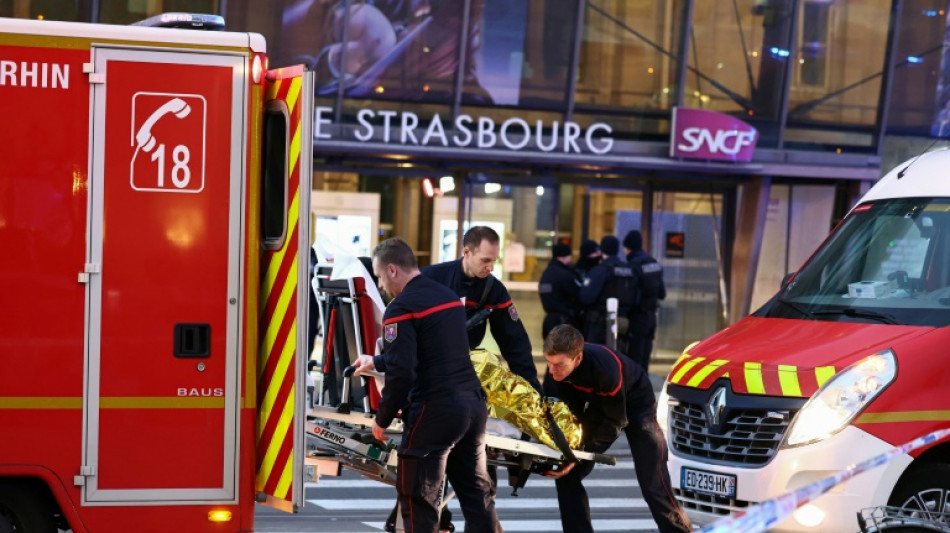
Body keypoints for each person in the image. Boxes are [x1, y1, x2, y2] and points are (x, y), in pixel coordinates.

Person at [353, 237, 502, 533]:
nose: (381, 285)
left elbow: (404, 371)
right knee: (477, 496)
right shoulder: (447, 297)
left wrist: (382, 418)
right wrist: (377, 362)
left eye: (380, 277)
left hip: (436, 411)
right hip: (472, 407)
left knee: (419, 499)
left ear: (393, 270)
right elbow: (434, 351)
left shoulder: (401, 307)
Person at [541, 324, 691, 533]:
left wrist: (579, 455)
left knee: (652, 482)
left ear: (577, 358)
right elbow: (555, 416)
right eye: (548, 363)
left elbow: (614, 422)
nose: (552, 370)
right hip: (594, 403)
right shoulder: (554, 373)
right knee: (567, 475)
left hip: (635, 400)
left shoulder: (605, 369)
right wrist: (564, 451)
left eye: (559, 365)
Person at [422, 226, 541, 391]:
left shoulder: (495, 291)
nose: (491, 267)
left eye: (494, 261)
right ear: (467, 252)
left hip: (462, 369)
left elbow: (515, 343)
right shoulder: (432, 278)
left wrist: (533, 390)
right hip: (426, 367)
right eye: (485, 260)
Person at [578, 235, 637, 347]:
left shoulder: (600, 270)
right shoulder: (629, 270)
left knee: (598, 358)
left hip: (600, 324)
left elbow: (586, 297)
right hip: (623, 322)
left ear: (602, 250)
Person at [622, 230, 666, 372]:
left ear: (628, 248)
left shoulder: (633, 266)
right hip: (651, 318)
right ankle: (644, 389)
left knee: (634, 359)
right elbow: (662, 293)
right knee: (645, 358)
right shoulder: (654, 264)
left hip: (637, 317)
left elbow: (629, 295)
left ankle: (634, 391)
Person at [538, 242, 581, 338]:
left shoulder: (546, 274)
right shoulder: (565, 275)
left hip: (549, 321)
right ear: (565, 256)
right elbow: (579, 294)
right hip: (563, 322)